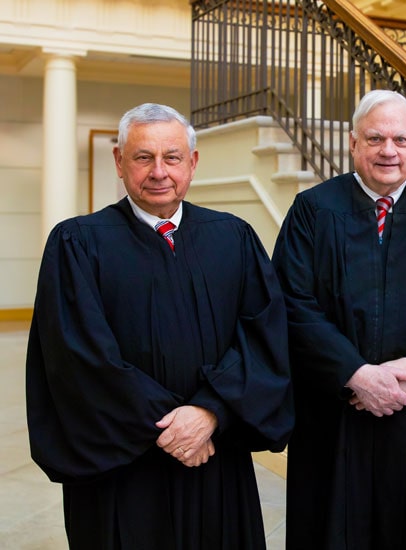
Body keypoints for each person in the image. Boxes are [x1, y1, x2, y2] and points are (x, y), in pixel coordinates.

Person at [26, 103, 294, 549]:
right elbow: (78, 358)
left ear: (192, 162)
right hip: (122, 466)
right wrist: (172, 427)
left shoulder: (234, 237)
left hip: (214, 454)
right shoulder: (77, 243)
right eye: (143, 157)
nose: (159, 171)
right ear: (118, 161)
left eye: (172, 157)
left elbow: (263, 337)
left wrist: (210, 412)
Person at [272, 89, 406, 549]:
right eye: (375, 138)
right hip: (334, 414)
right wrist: (354, 373)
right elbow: (290, 301)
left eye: (399, 139)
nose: (388, 151)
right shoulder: (313, 212)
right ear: (353, 144)